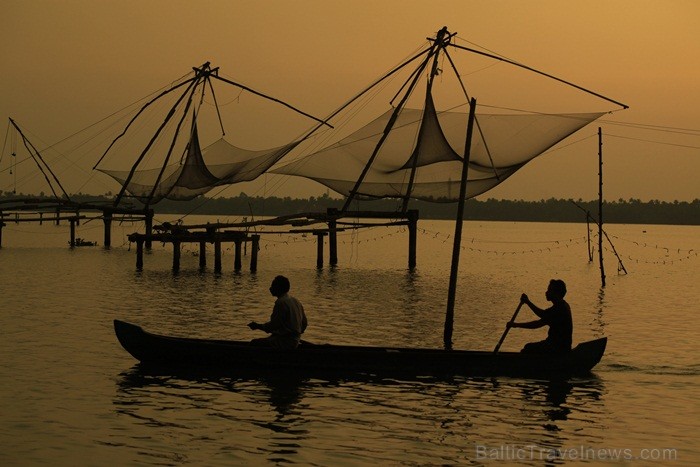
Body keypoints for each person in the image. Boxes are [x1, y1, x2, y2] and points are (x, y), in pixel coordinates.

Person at [507, 279, 573, 353]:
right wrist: (528, 302)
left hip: (558, 348)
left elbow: (537, 323)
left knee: (528, 348)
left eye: (549, 290)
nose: (546, 292)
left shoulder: (559, 309)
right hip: (558, 345)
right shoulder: (562, 305)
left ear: (556, 293)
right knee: (528, 347)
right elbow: (542, 315)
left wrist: (515, 325)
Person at [248, 275, 308, 349]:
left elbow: (274, 325)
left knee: (254, 343)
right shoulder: (296, 301)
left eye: (273, 286)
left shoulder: (281, 302)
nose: (270, 288)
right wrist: (296, 335)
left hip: (285, 342)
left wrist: (257, 326)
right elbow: (304, 323)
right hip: (295, 340)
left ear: (279, 288)